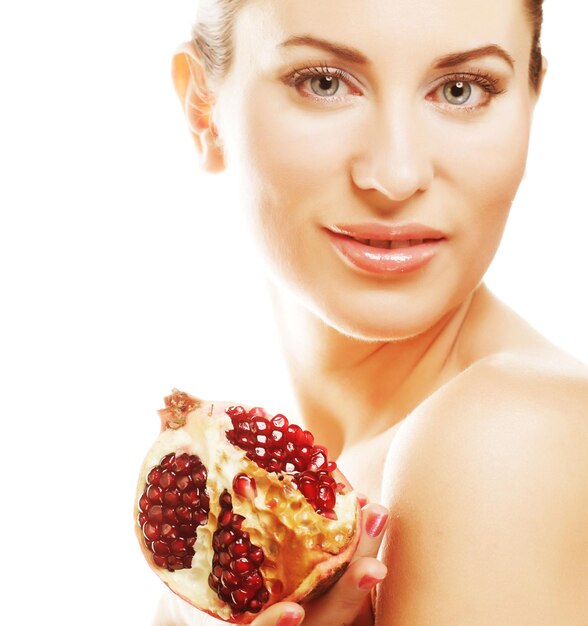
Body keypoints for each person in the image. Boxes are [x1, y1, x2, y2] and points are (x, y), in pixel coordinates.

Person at [156, 0, 588, 623]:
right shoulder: (267, 499)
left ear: (530, 98)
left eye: (462, 90)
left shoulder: (502, 442)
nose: (396, 175)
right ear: (204, 110)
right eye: (325, 83)